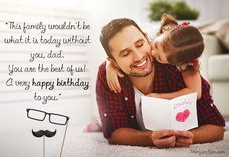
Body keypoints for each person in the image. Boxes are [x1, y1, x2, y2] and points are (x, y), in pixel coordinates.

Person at [96, 18, 225, 148]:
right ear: (113, 62)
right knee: (103, 124)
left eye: (140, 44)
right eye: (125, 53)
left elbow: (216, 128)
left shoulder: (175, 61)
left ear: (147, 38)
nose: (138, 56)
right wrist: (149, 139)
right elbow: (114, 132)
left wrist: (190, 137)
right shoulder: (108, 75)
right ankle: (97, 123)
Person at [106, 14, 202, 101]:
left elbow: (196, 93)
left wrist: (160, 97)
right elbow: (119, 48)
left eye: (159, 57)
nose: (153, 52)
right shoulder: (151, 35)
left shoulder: (185, 66)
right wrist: (109, 65)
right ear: (164, 32)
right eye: (156, 45)